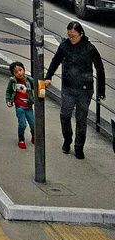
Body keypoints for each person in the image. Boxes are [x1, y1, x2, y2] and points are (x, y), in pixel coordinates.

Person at [43, 21, 106, 159]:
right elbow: (55, 61)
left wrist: (101, 90)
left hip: (85, 89)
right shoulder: (65, 46)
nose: (71, 39)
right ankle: (67, 139)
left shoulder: (89, 48)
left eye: (74, 36)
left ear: (81, 34)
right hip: (68, 87)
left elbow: (99, 68)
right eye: (69, 36)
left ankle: (79, 147)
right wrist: (48, 77)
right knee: (65, 115)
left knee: (81, 119)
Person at [5, 61, 35, 149]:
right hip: (19, 107)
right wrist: (8, 100)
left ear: (24, 70)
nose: (19, 73)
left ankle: (34, 136)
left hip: (28, 107)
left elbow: (36, 86)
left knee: (33, 124)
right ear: (13, 74)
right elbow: (8, 91)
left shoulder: (29, 80)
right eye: (16, 72)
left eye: (20, 70)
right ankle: (21, 139)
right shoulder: (13, 82)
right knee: (22, 124)